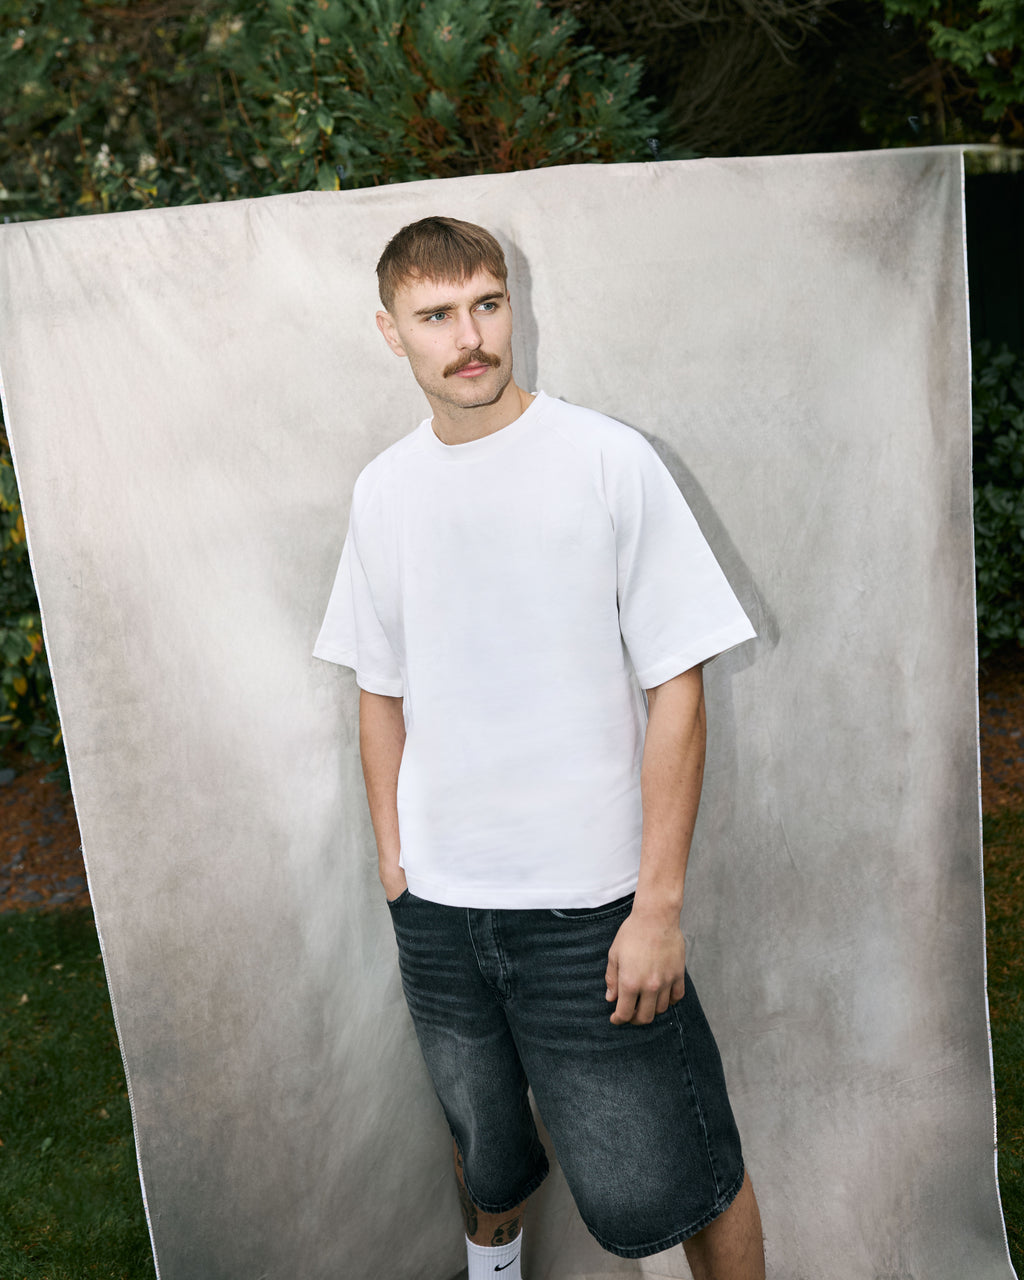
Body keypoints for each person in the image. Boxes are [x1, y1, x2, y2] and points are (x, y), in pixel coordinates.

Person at [315, 216, 765, 1280]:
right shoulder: (383, 489)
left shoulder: (607, 459)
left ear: (511, 304)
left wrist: (655, 904)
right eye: (436, 315)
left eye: (486, 302)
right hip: (438, 910)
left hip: (589, 910)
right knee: (486, 1144)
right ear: (392, 332)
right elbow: (379, 691)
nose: (469, 336)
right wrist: (396, 861)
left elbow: (679, 687)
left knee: (676, 1168)